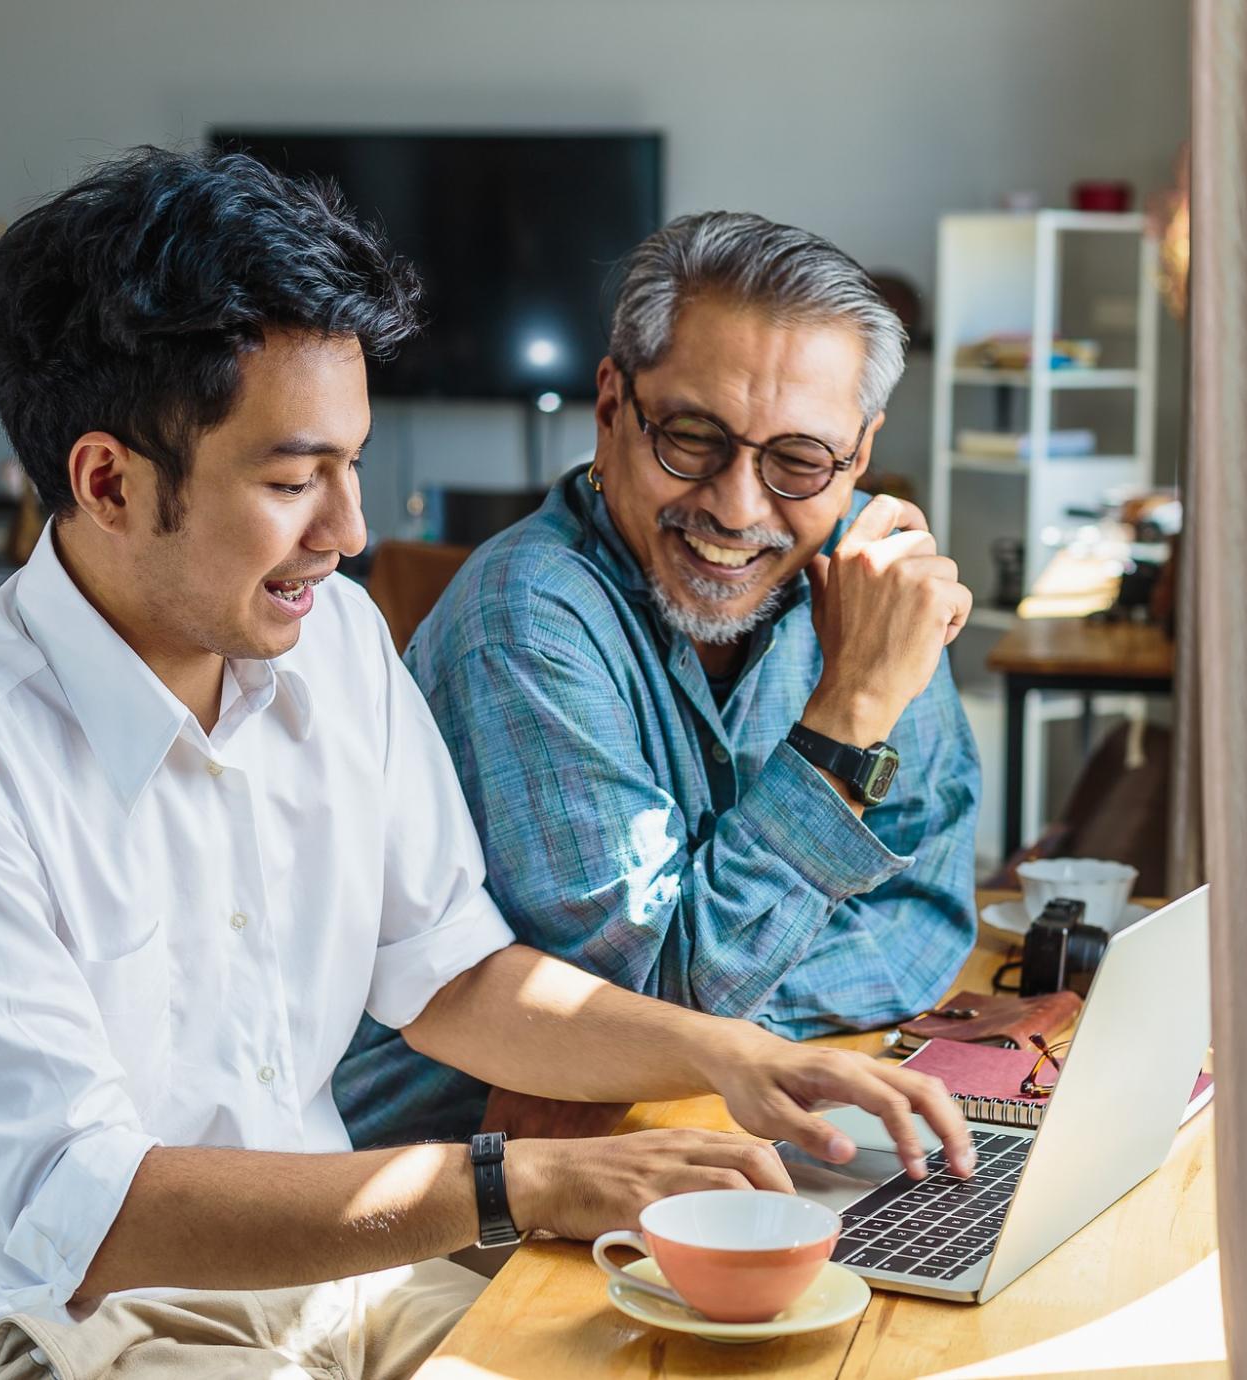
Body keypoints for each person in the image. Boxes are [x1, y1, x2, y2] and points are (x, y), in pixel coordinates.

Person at [0, 149, 971, 1380]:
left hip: (323, 1293)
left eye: (349, 467)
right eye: (295, 479)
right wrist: (518, 1181)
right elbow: (82, 1212)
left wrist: (732, 1058)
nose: (351, 533)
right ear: (106, 480)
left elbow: (456, 979)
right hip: (46, 1330)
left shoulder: (335, 647)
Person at [335, 212, 979, 1148]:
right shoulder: (525, 612)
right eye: (692, 438)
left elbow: (925, 914)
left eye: (798, 461)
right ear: (610, 409)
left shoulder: (878, 578)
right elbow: (657, 992)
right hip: (467, 1192)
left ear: (859, 457)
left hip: (706, 1122)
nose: (737, 505)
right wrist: (852, 713)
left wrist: (708, 1039)